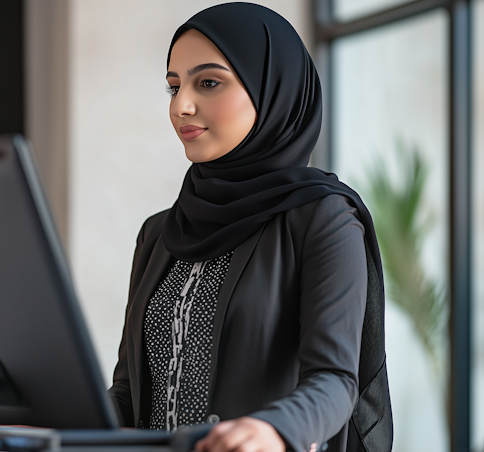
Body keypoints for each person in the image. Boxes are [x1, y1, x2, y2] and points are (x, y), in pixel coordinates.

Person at [109, 3, 393, 452]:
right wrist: (56, 423)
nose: (182, 105)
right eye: (173, 86)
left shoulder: (325, 218)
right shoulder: (158, 234)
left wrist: (276, 429)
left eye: (208, 82)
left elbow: (335, 380)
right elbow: (128, 392)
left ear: (272, 90)